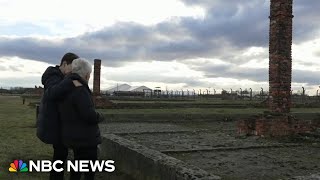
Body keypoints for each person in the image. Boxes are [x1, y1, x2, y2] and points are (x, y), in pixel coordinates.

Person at [58, 58, 104, 180]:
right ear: (86, 74)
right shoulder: (80, 90)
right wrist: (99, 116)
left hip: (73, 135)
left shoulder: (66, 85)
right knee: (89, 170)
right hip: (85, 139)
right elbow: (88, 115)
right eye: (89, 74)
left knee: (77, 166)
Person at [37, 52, 79, 180]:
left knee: (62, 153)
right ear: (64, 63)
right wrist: (72, 82)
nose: (71, 73)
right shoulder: (53, 74)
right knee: (60, 154)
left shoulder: (61, 77)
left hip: (60, 122)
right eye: (71, 69)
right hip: (54, 124)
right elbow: (52, 93)